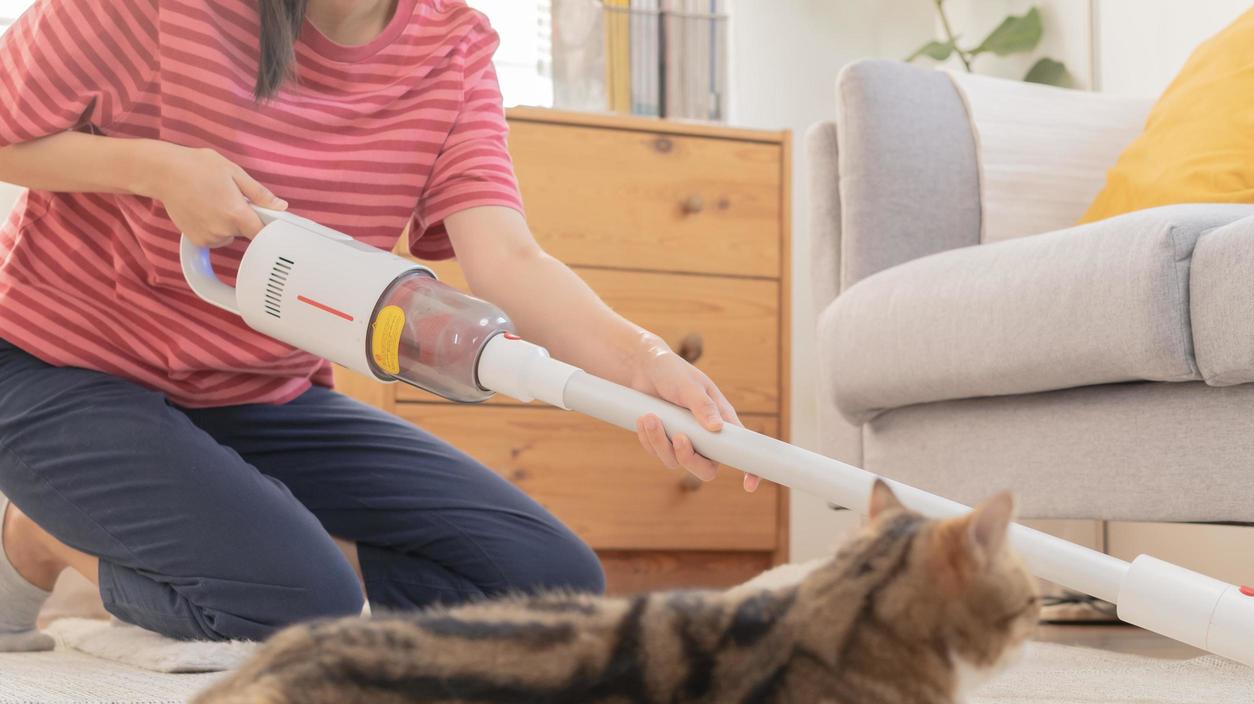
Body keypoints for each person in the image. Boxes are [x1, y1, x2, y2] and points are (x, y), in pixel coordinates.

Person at [0, 0, 756, 645]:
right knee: (301, 605)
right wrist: (156, 169)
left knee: (546, 579)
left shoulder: (449, 45)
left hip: (260, 394)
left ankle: (244, 541)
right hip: (58, 369)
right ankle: (46, 540)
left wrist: (643, 358)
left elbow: (509, 261)